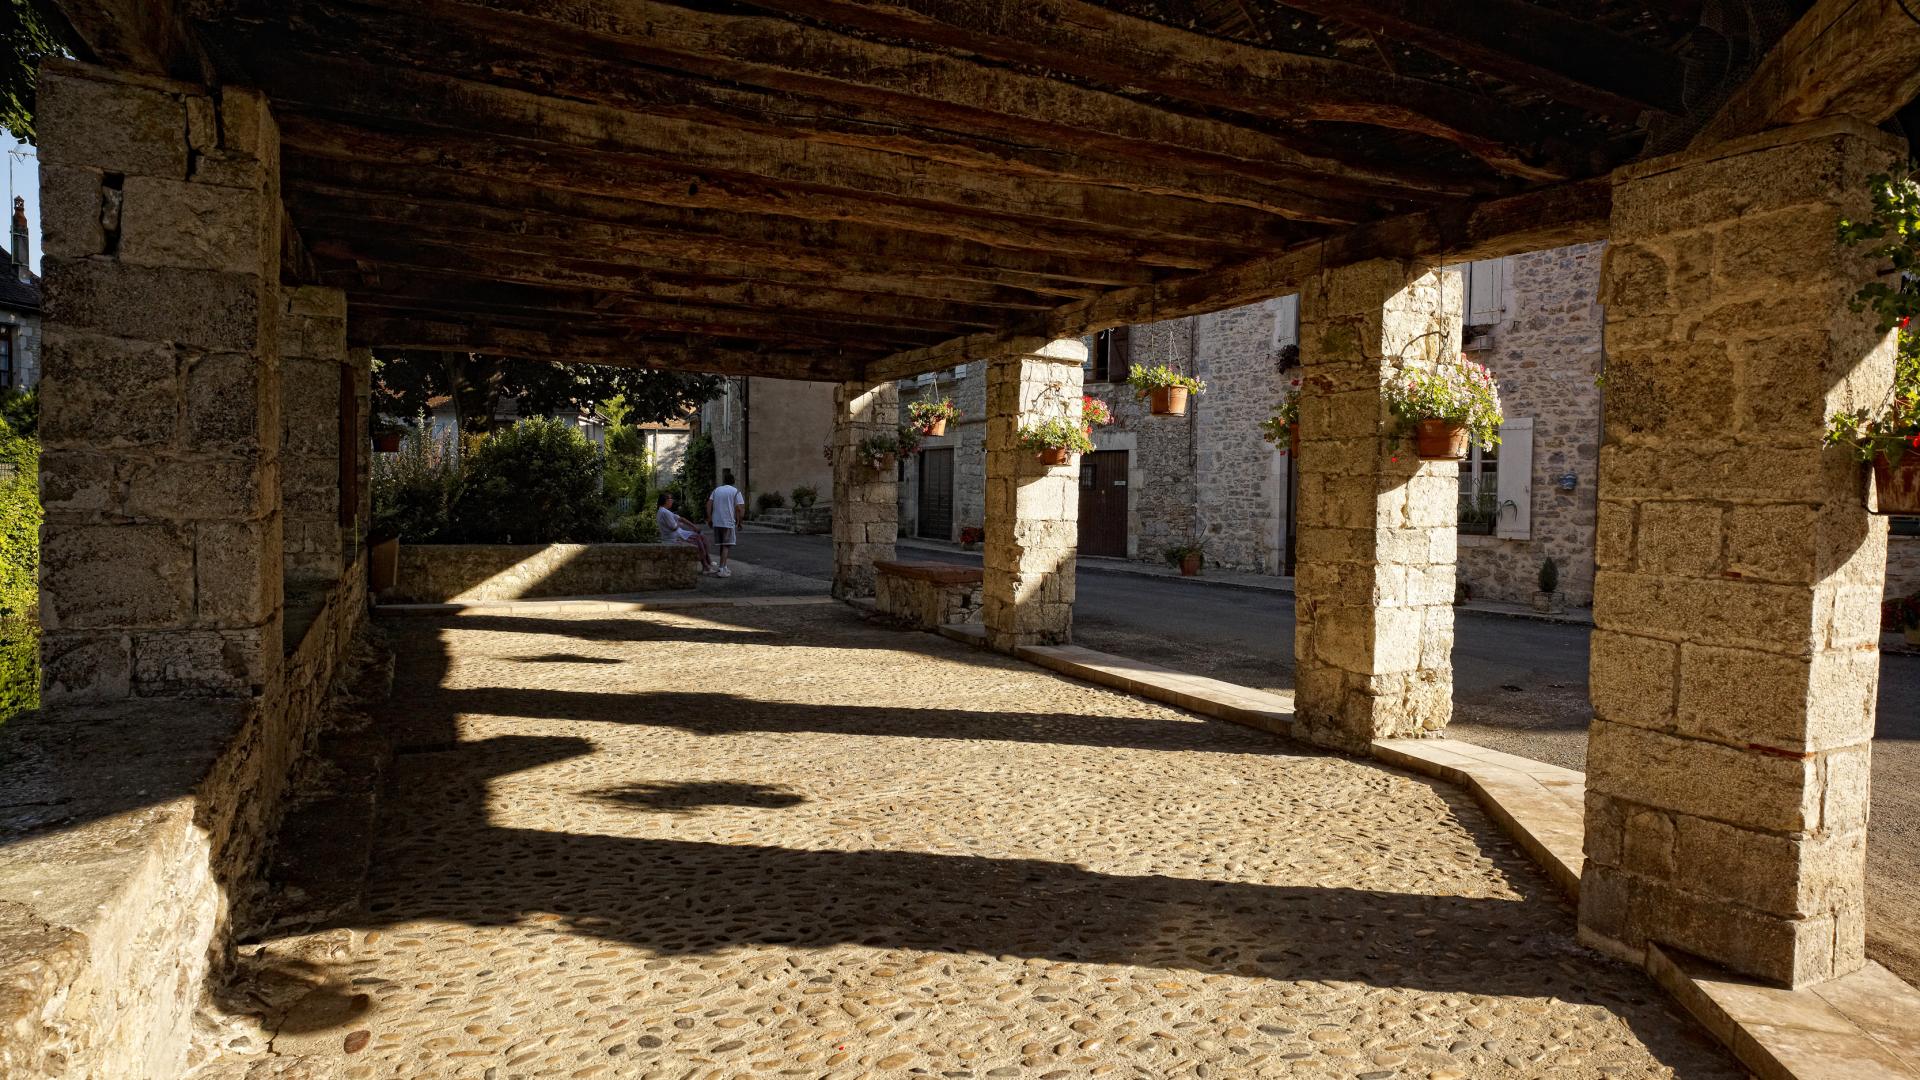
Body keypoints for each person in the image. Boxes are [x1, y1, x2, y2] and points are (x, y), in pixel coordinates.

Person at [655, 492, 715, 575]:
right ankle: (706, 566)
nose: (672, 501)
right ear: (666, 501)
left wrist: (693, 526)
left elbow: (681, 518)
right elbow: (674, 527)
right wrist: (679, 524)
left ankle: (707, 562)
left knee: (702, 537)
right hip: (674, 537)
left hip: (678, 534)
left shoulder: (664, 511)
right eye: (670, 499)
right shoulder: (665, 512)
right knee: (699, 539)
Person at [706, 469, 747, 578]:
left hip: (717, 521)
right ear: (733, 481)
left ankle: (723, 566)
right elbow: (740, 508)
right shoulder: (735, 491)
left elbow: (709, 504)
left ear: (724, 481)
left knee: (722, 545)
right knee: (726, 545)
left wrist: (709, 518)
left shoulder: (716, 490)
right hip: (728, 521)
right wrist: (740, 522)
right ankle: (721, 569)